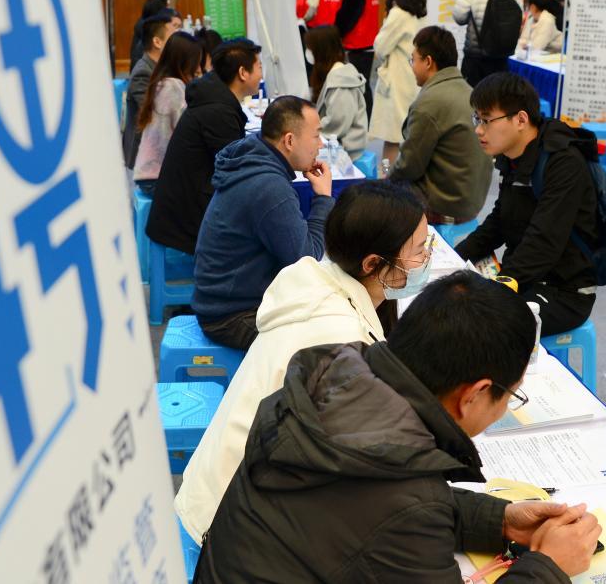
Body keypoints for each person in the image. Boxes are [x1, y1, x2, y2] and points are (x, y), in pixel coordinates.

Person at [194, 271, 603, 582]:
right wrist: (550, 565)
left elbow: (367, 509)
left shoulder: (332, 381)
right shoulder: (408, 505)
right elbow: (398, 509)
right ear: (475, 393)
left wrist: (500, 520)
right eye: (512, 395)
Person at [176, 180, 429, 542]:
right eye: (419, 251)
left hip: (216, 493)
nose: (426, 260)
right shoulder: (340, 340)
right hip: (232, 527)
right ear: (373, 263)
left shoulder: (316, 280)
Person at [456, 73, 598, 336]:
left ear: (520, 120)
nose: (478, 129)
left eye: (486, 120)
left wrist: (499, 287)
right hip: (524, 277)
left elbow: (543, 242)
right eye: (477, 119)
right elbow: (500, 220)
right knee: (451, 301)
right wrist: (455, 257)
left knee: (476, 327)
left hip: (563, 291)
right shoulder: (513, 156)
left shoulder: (563, 162)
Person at [191, 96, 334, 350]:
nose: (320, 144)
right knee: (326, 341)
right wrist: (323, 198)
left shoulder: (252, 161)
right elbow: (306, 261)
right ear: (289, 141)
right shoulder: (270, 187)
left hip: (220, 299)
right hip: (231, 316)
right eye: (316, 136)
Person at [146, 39, 261, 255]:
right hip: (188, 216)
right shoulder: (218, 111)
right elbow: (235, 171)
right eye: (259, 67)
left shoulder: (214, 100)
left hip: (189, 201)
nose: (261, 75)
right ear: (243, 73)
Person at [389, 26, 492, 226]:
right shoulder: (470, 92)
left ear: (428, 62)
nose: (412, 67)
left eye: (413, 60)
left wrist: (385, 182)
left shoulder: (429, 103)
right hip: (472, 200)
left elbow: (409, 166)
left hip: (446, 206)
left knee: (381, 198)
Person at [370, 0, 427, 168]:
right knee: (409, 134)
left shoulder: (399, 13)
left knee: (392, 137)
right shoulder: (420, 13)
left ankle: (388, 180)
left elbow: (380, 47)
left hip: (396, 80)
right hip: (413, 77)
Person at [133, 33, 204, 195]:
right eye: (196, 62)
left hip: (148, 174)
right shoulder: (173, 87)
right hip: (156, 177)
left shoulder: (162, 83)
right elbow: (187, 131)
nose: (198, 69)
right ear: (185, 62)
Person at [122, 12, 179, 169]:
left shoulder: (161, 67)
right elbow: (154, 113)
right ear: (157, 42)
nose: (176, 42)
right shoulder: (143, 72)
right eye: (172, 38)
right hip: (145, 155)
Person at [305, 26, 368, 157]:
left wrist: (306, 130)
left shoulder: (341, 82)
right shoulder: (331, 74)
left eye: (310, 48)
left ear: (320, 50)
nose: (308, 52)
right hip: (335, 144)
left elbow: (336, 123)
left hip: (344, 150)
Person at [333, 0, 379, 116]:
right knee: (363, 84)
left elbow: (348, 15)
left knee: (359, 85)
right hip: (368, 41)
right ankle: (366, 119)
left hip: (358, 44)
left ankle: (364, 121)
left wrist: (337, 34)